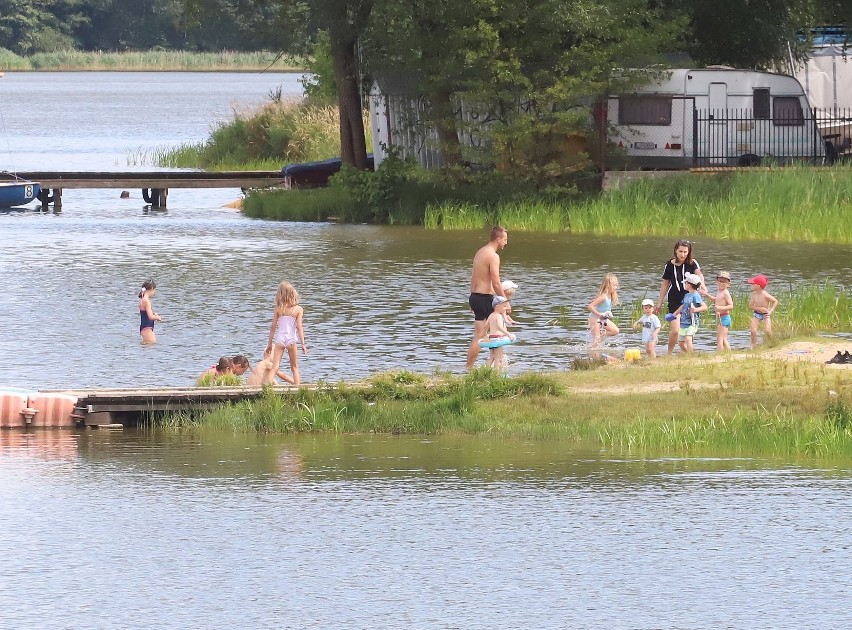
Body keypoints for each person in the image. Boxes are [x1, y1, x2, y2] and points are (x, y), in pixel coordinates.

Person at [466, 226, 509, 369]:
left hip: (475, 297)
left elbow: (474, 277)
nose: (506, 243)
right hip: (485, 298)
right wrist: (505, 302)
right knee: (498, 330)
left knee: (479, 335)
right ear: (498, 239)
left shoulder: (480, 252)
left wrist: (471, 299)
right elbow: (496, 283)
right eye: (505, 240)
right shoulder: (493, 256)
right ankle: (499, 363)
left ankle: (469, 368)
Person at [655, 239, 704, 355]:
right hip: (674, 300)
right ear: (676, 251)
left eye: (685, 252)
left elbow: (699, 274)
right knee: (675, 331)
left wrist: (702, 286)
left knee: (687, 331)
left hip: (689, 300)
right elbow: (665, 283)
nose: (683, 254)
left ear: (689, 252)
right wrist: (660, 302)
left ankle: (689, 354)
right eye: (680, 251)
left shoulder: (692, 263)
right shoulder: (669, 265)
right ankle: (669, 354)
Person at [265, 281, 308, 385]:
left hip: (280, 339)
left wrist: (269, 344)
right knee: (294, 367)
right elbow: (299, 327)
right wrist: (303, 344)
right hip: (291, 340)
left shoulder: (278, 309)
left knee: (275, 367)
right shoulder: (298, 309)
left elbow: (273, 327)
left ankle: (266, 388)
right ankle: (297, 389)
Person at [672, 273, 708, 353]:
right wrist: (675, 314)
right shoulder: (687, 295)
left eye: (685, 283)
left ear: (689, 285)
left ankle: (691, 356)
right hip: (684, 322)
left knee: (688, 339)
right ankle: (688, 353)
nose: (684, 284)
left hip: (692, 322)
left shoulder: (696, 295)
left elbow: (704, 307)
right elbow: (683, 306)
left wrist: (695, 310)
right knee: (680, 342)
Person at [701, 271, 734, 351]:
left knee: (720, 339)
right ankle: (728, 353)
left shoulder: (726, 293)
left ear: (728, 284)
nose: (722, 283)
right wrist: (707, 295)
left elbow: (731, 306)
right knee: (723, 339)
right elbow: (716, 300)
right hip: (719, 317)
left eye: (724, 282)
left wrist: (719, 308)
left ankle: (719, 354)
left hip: (725, 317)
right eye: (720, 281)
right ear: (716, 281)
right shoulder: (719, 291)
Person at [587, 273, 620, 348]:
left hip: (603, 319)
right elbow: (590, 306)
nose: (616, 287)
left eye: (616, 285)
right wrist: (599, 314)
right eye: (614, 285)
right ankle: (594, 353)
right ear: (608, 286)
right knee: (596, 338)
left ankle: (599, 338)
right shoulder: (603, 296)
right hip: (595, 318)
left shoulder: (611, 296)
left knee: (615, 331)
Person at [483, 296, 516, 369]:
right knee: (498, 358)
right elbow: (500, 327)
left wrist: (485, 335)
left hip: (491, 338)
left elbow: (485, 326)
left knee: (492, 357)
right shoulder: (498, 316)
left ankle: (486, 371)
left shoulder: (491, 315)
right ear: (497, 307)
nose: (506, 308)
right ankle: (496, 374)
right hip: (497, 339)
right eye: (504, 306)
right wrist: (509, 334)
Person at [747, 274, 779, 348]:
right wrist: (759, 308)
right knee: (753, 330)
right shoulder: (754, 295)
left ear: (758, 286)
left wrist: (771, 310)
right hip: (757, 314)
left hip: (766, 314)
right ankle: (753, 345)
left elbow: (775, 301)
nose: (751, 285)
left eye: (753, 284)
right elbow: (750, 306)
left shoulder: (765, 294)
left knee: (767, 331)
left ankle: (772, 342)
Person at [138, 279, 162, 344]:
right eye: (154, 290)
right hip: (147, 328)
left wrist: (153, 313)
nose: (154, 292)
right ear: (151, 289)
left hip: (144, 327)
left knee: (147, 348)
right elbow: (150, 317)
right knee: (151, 347)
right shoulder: (146, 301)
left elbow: (144, 313)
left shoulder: (142, 300)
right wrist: (158, 318)